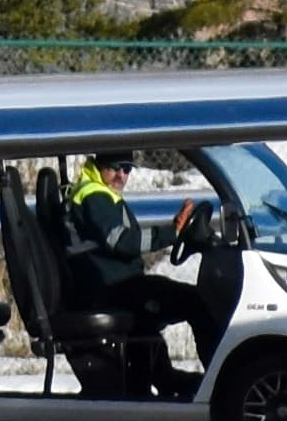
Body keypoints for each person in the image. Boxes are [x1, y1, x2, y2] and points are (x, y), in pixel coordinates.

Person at [65, 152, 224, 395]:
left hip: (115, 284)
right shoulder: (94, 196)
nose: (121, 175)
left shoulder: (102, 194)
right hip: (111, 289)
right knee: (196, 303)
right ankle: (222, 380)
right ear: (98, 165)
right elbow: (120, 241)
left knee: (166, 299)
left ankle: (170, 380)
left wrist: (175, 232)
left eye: (127, 169)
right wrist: (171, 233)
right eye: (114, 167)